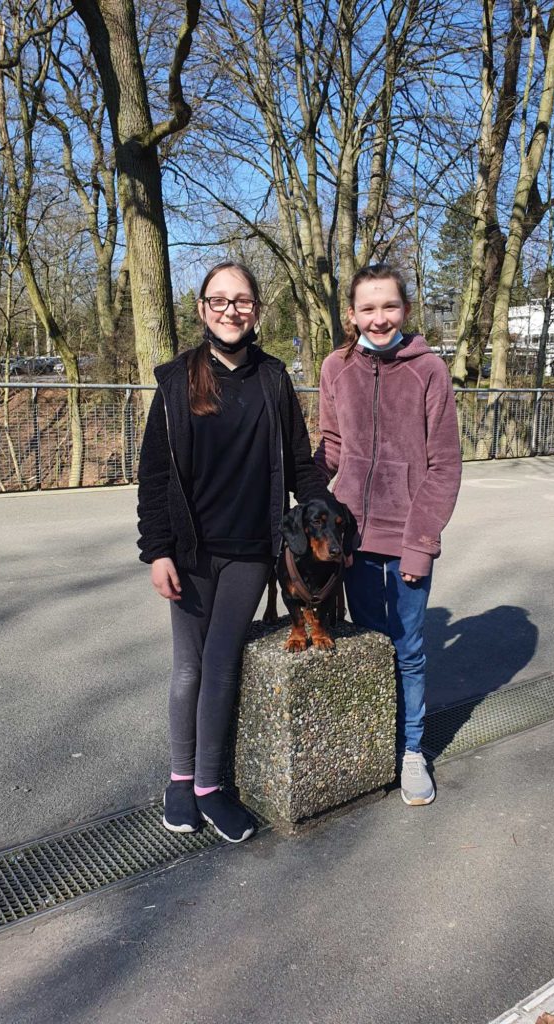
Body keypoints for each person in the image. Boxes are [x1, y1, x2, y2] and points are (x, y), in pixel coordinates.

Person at [137, 261, 326, 842]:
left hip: (250, 551)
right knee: (189, 667)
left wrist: (322, 510)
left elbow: (299, 460)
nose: (230, 310)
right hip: (190, 553)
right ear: (201, 309)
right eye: (218, 300)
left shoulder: (273, 378)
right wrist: (158, 551)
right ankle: (179, 778)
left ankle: (208, 786)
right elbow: (154, 475)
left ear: (256, 310)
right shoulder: (176, 381)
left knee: (222, 664)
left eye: (241, 300)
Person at [315, 264, 462, 806]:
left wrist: (421, 544)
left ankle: (412, 751)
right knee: (370, 646)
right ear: (351, 314)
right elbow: (332, 446)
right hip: (351, 541)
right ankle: (375, 743)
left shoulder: (430, 371)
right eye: (368, 308)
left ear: (406, 310)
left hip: (406, 540)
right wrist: (303, 495)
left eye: (389, 306)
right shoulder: (335, 367)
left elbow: (444, 465)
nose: (379, 318)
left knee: (408, 649)